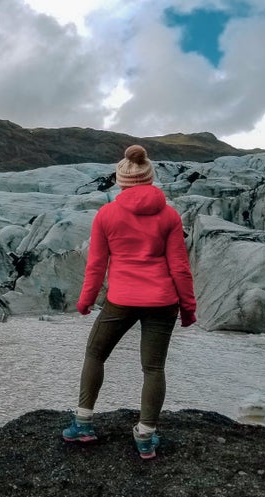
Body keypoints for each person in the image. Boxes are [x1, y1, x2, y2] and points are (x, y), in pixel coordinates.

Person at [62, 144, 197, 459]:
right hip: (163, 302)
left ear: (121, 180)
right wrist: (188, 308)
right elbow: (180, 266)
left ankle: (83, 423)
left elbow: (96, 265)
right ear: (149, 179)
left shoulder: (106, 215)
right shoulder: (169, 215)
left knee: (95, 354)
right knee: (154, 368)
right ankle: (146, 436)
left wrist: (86, 300)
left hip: (121, 300)